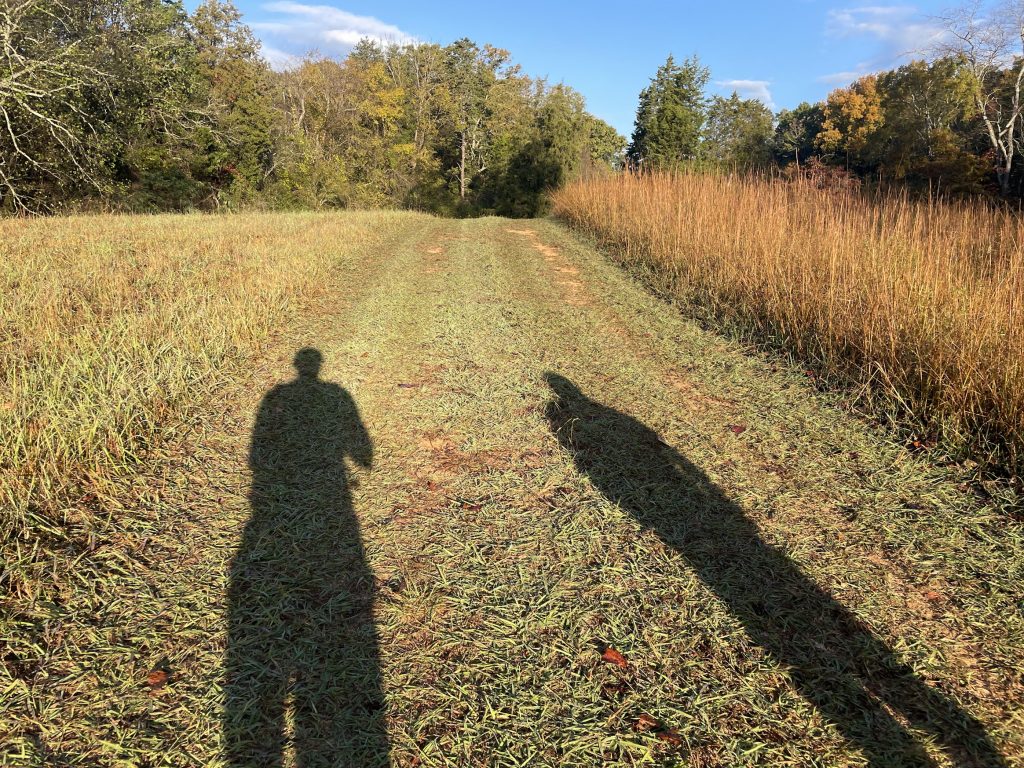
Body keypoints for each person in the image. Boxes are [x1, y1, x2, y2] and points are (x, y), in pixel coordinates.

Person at [224, 348, 387, 766]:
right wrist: (362, 458)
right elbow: (359, 442)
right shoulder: (332, 393)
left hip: (271, 497)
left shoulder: (277, 396)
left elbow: (259, 446)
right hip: (332, 494)